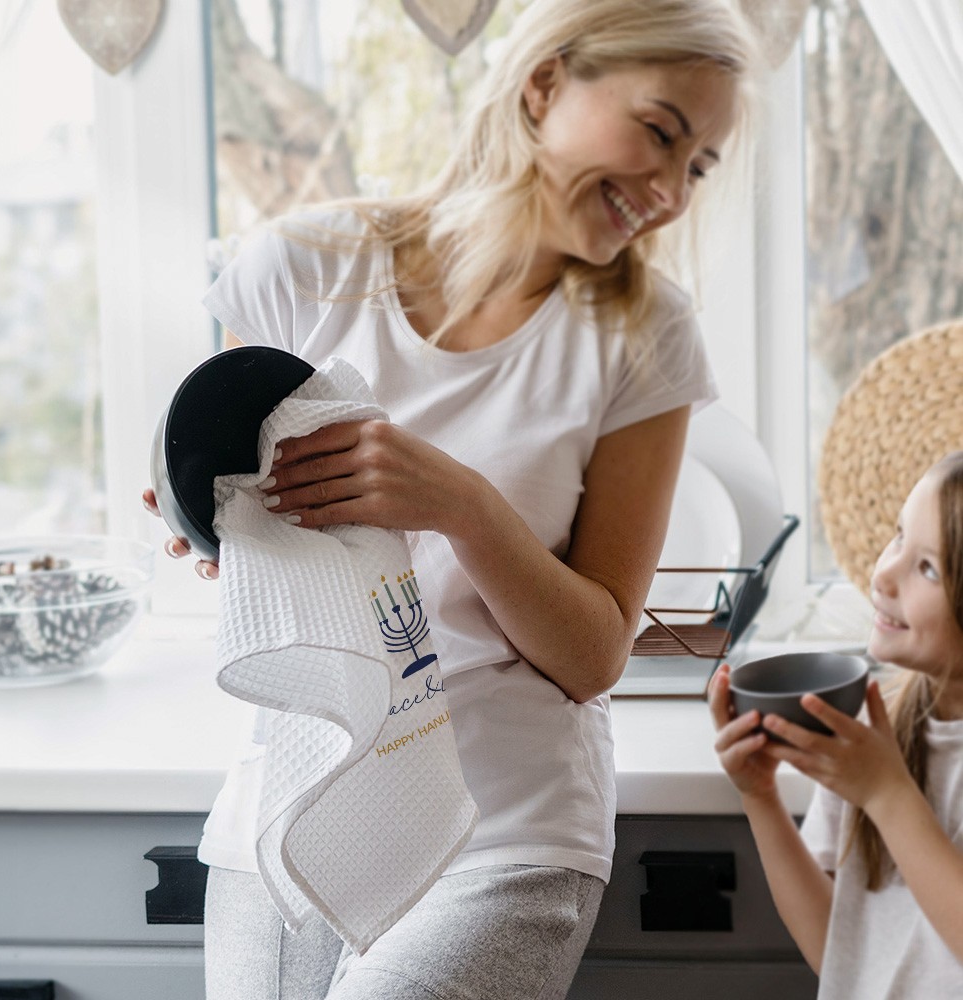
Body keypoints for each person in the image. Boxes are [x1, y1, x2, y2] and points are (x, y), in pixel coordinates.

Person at [145, 0, 757, 996]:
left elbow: (593, 654)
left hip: (507, 823)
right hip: (296, 791)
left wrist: (460, 502)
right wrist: (204, 523)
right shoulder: (303, 271)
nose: (669, 191)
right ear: (544, 83)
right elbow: (247, 527)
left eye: (696, 166)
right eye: (659, 131)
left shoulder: (644, 338)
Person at [710, 451, 963, 998]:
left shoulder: (872, 764)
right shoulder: (868, 734)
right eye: (899, 537)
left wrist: (886, 791)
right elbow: (841, 953)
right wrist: (760, 798)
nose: (884, 573)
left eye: (928, 568)